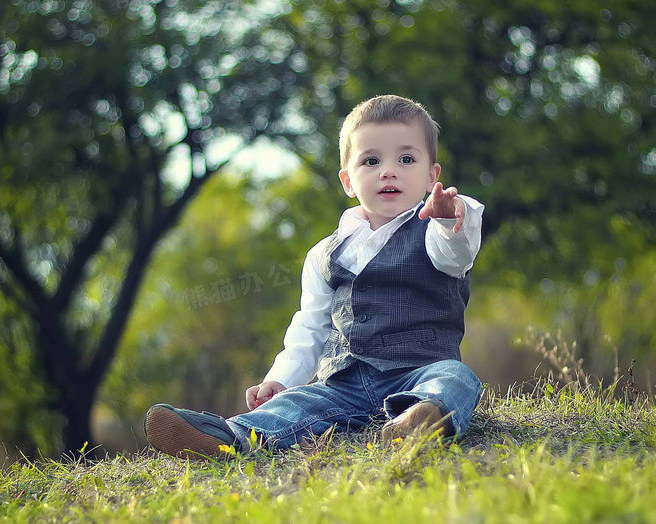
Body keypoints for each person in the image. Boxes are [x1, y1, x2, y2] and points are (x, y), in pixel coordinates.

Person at [144, 94, 485, 458]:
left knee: (457, 379)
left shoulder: (436, 229)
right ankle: (229, 438)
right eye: (371, 160)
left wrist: (450, 218)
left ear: (432, 175)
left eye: (406, 159)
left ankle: (419, 420)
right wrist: (281, 379)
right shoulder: (325, 253)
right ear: (348, 182)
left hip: (418, 371)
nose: (389, 171)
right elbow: (311, 325)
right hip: (344, 384)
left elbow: (456, 254)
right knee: (298, 403)